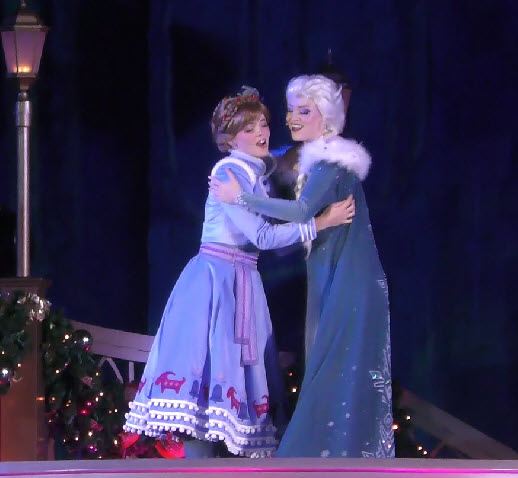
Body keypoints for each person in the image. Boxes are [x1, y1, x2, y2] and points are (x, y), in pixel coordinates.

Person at [123, 86, 355, 458]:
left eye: (263, 124)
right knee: (206, 396)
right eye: (249, 128)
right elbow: (262, 236)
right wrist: (319, 223)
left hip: (241, 281)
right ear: (230, 139)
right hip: (216, 286)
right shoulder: (230, 171)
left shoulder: (256, 172)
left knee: (232, 400)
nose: (261, 132)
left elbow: (274, 223)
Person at [209, 76, 394, 458]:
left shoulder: (329, 162)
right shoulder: (311, 162)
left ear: (326, 117)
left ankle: (318, 458)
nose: (291, 118)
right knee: (326, 369)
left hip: (346, 276)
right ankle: (329, 456)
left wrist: (241, 197)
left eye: (304, 111)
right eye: (291, 110)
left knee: (332, 370)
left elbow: (300, 211)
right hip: (329, 273)